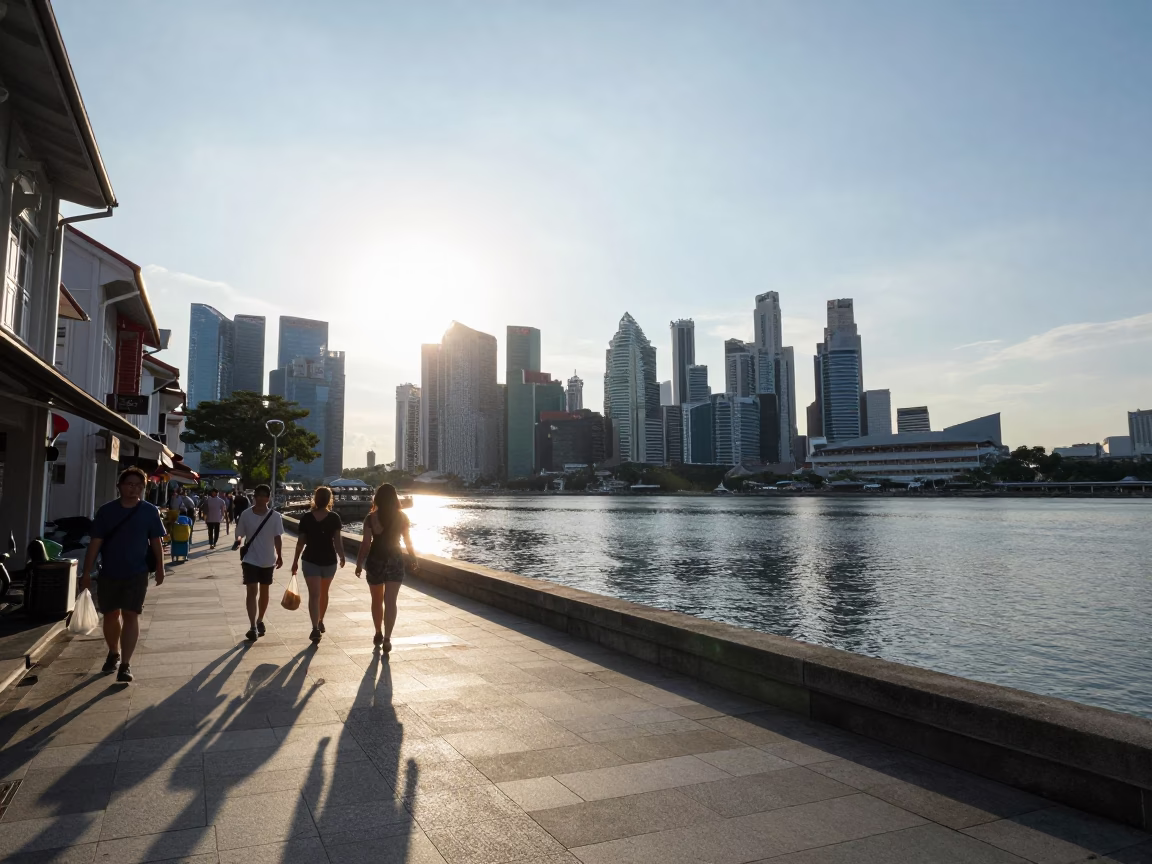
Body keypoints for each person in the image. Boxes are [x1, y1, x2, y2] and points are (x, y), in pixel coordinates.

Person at [80, 466, 167, 683]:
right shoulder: (106, 511)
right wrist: (86, 572)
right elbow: (95, 543)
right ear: (119, 486)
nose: (134, 489)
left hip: (137, 572)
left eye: (139, 485)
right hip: (109, 571)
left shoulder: (149, 511)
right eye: (130, 484)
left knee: (130, 614)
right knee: (110, 615)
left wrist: (160, 566)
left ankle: (125, 664)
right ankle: (113, 651)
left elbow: (156, 541)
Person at [355, 483, 417, 651]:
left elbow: (366, 543)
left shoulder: (370, 518)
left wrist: (359, 563)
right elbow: (407, 540)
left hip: (376, 560)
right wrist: (412, 556)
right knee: (391, 601)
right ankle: (388, 638)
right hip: (395, 559)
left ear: (378, 498)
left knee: (376, 600)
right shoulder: (402, 517)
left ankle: (378, 632)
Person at [291, 485, 345, 643]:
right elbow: (337, 541)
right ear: (329, 500)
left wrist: (295, 561)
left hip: (310, 560)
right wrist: (341, 556)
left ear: (315, 498)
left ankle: (315, 627)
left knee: (314, 595)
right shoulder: (334, 517)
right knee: (324, 593)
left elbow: (301, 543)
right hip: (329, 561)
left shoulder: (307, 518)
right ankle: (320, 621)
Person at [234, 483, 283, 641]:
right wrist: (238, 540)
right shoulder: (246, 515)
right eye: (258, 495)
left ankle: (260, 619)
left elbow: (277, 537)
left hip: (268, 559)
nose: (261, 498)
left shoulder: (275, 516)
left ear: (269, 498)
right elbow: (240, 533)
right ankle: (252, 626)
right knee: (251, 591)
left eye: (264, 495)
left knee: (264, 591)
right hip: (250, 559)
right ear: (254, 497)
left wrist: (280, 555)